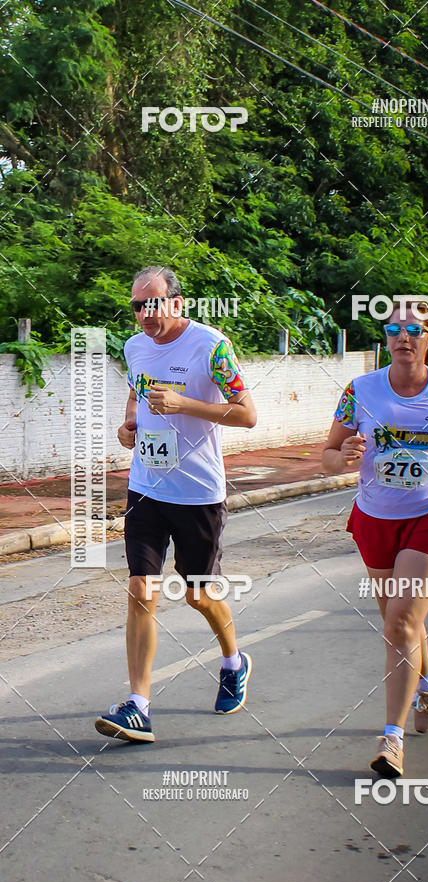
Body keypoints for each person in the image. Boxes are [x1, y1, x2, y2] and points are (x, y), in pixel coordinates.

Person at [322, 300, 428, 777]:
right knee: (403, 625)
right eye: (393, 328)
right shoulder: (360, 390)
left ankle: (390, 741)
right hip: (376, 517)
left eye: (414, 329)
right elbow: (328, 456)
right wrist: (345, 456)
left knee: (399, 623)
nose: (402, 336)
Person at [95, 266, 257, 743]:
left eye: (154, 303)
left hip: (198, 493)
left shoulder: (212, 346)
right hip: (146, 486)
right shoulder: (134, 346)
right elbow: (135, 395)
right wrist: (128, 426)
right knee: (141, 589)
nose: (145, 313)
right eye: (137, 305)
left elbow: (247, 414)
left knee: (198, 594)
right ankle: (138, 706)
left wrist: (186, 405)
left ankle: (233, 660)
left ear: (178, 303)